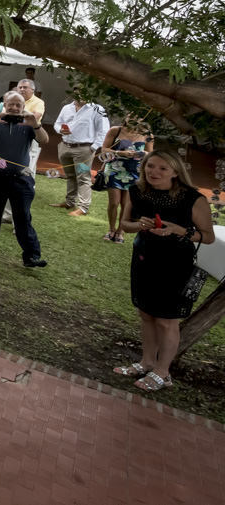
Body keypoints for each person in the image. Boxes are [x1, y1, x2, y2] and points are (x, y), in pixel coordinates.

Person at [114, 151, 215, 392]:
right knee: (146, 314)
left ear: (175, 172)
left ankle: (163, 371)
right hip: (144, 258)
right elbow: (125, 225)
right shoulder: (137, 191)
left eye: (162, 168)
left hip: (175, 264)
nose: (154, 172)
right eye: (150, 166)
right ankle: (147, 362)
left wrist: (179, 230)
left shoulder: (192, 198)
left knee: (166, 320)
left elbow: (208, 237)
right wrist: (140, 225)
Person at [0, 92, 50, 267]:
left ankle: (31, 255)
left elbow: (45, 139)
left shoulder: (29, 124)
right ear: (4, 104)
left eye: (18, 104)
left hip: (21, 178)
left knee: (23, 216)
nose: (14, 107)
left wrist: (35, 125)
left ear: (23, 106)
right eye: (10, 104)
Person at [99, 114, 153, 242]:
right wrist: (120, 153)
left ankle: (120, 231)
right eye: (131, 116)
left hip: (135, 172)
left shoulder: (148, 135)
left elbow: (151, 154)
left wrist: (141, 153)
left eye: (138, 117)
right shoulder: (115, 130)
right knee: (114, 203)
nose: (134, 119)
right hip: (114, 169)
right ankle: (111, 229)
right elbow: (104, 149)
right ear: (126, 117)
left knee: (126, 204)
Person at [53, 98, 110, 215]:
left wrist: (94, 147)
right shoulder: (67, 108)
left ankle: (83, 207)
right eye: (77, 91)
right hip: (65, 147)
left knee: (83, 177)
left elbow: (104, 130)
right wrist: (60, 130)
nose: (80, 94)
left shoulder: (97, 109)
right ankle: (69, 202)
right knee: (70, 175)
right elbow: (57, 123)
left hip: (84, 149)